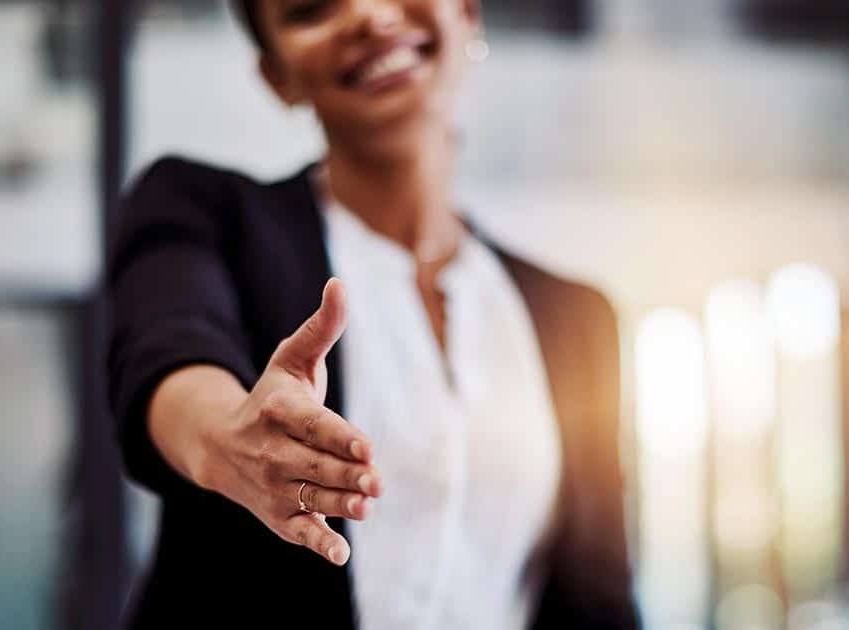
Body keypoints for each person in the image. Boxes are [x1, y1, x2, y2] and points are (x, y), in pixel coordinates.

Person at [106, 0, 638, 627]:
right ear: (279, 78)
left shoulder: (578, 319)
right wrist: (228, 439)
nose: (367, 15)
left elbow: (597, 598)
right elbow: (170, 352)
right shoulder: (206, 214)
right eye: (310, 9)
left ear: (466, 13)